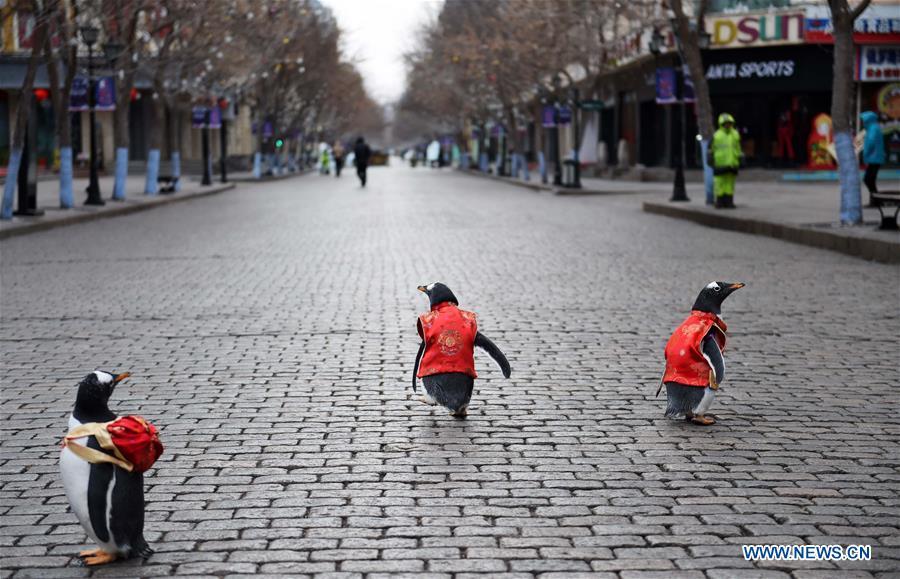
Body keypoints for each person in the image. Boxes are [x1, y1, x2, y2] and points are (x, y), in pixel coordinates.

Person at [710, 113, 743, 209]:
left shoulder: (735, 134)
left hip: (732, 163)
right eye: (726, 123)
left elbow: (738, 148)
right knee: (720, 184)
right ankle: (720, 202)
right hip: (720, 164)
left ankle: (729, 202)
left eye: (729, 123)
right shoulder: (717, 135)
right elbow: (711, 150)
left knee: (730, 184)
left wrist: (740, 158)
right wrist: (711, 162)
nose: (728, 125)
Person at [860, 110, 885, 206]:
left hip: (874, 158)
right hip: (875, 158)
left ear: (868, 120)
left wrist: (865, 153)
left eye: (863, 120)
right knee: (870, 180)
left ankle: (876, 201)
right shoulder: (873, 127)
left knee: (868, 179)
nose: (862, 122)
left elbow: (870, 142)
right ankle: (875, 201)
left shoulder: (873, 128)